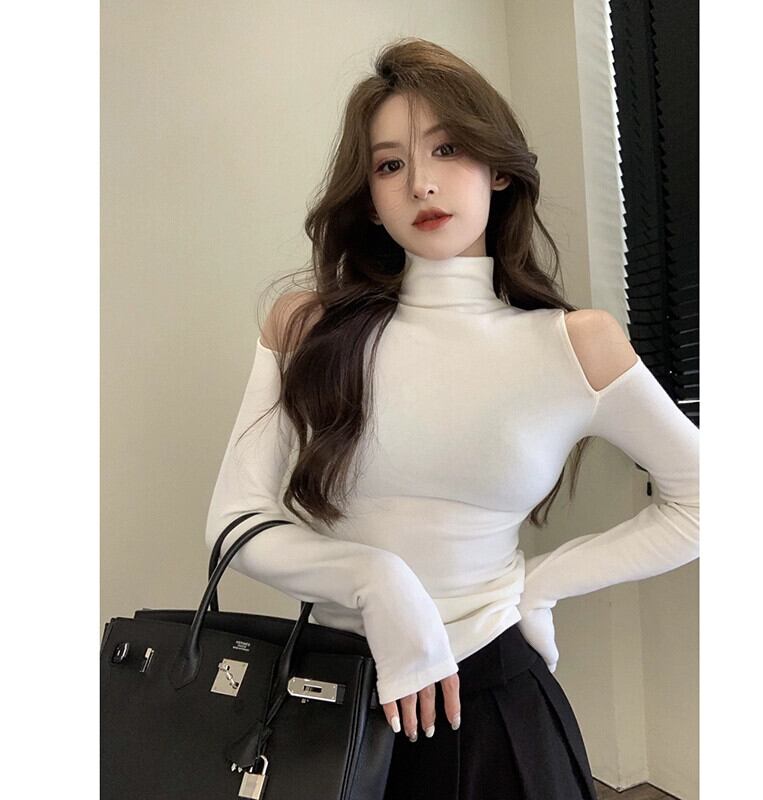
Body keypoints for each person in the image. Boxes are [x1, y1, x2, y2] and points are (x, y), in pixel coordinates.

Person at [205, 37, 699, 800]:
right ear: (370, 197)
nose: (422, 184)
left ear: (498, 167)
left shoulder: (574, 346)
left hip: (495, 711)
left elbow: (704, 500)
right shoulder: (306, 328)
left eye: (447, 149)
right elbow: (234, 524)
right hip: (325, 710)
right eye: (390, 165)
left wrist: (543, 584)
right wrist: (376, 582)